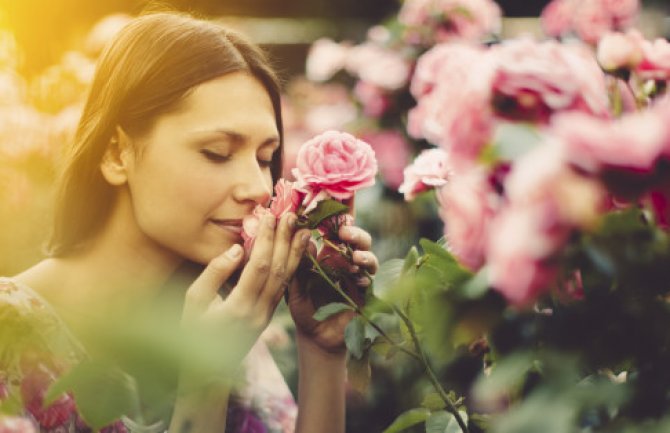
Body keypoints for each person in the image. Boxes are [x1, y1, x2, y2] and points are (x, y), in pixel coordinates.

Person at [0, 12, 378, 433]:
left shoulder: (222, 326)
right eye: (217, 152)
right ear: (115, 154)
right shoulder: (7, 335)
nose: (257, 187)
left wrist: (322, 351)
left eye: (265, 159)